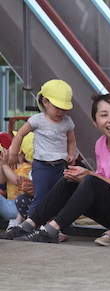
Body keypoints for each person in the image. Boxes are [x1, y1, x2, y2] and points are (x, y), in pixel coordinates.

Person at [0, 93, 110, 243]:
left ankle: (52, 229)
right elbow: (101, 181)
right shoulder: (100, 143)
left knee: (89, 180)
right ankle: (30, 223)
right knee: (70, 177)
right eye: (104, 115)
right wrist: (82, 176)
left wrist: (89, 176)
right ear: (95, 122)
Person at [8, 79, 76, 216]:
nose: (61, 112)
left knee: (59, 196)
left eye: (65, 109)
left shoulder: (67, 122)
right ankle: (33, 224)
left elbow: (71, 140)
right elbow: (20, 134)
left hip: (60, 165)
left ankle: (54, 226)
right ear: (45, 102)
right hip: (42, 166)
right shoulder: (37, 120)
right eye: (57, 107)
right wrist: (14, 154)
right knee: (41, 195)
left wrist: (72, 153)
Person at [0, 133, 33, 222]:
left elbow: (17, 181)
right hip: (9, 204)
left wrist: (5, 166)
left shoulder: (27, 167)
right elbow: (1, 180)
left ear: (19, 151)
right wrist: (2, 164)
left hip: (17, 208)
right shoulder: (11, 165)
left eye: (11, 145)